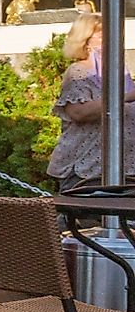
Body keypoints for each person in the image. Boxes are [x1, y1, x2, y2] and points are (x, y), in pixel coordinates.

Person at [47, 13, 135, 191]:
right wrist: (125, 97)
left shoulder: (118, 70)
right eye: (98, 32)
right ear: (84, 39)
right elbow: (78, 113)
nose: (106, 36)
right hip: (87, 170)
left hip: (124, 168)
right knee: (92, 217)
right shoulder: (79, 72)